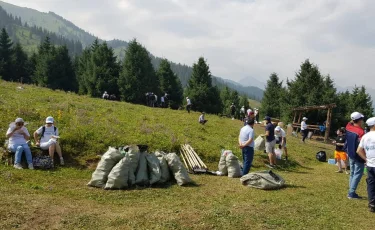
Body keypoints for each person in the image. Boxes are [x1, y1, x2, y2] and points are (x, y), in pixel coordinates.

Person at [357, 117, 375, 212]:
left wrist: (366, 159)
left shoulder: (365, 136)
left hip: (370, 165)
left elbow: (359, 150)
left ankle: (372, 204)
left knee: (371, 185)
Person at [346, 112, 365, 199]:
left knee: (352, 173)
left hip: (350, 154)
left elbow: (350, 122)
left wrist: (353, 119)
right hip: (358, 156)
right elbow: (363, 146)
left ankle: (351, 190)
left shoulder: (348, 127)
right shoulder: (361, 132)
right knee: (357, 174)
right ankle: (351, 193)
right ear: (360, 120)